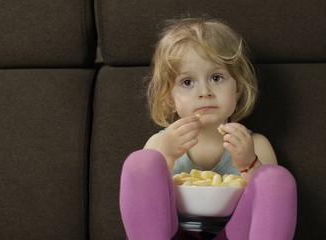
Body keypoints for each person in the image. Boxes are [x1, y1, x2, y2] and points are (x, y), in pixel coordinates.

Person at [119, 17, 297, 240]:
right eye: (187, 82)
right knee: (142, 162)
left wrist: (248, 164)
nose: (205, 91)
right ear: (170, 98)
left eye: (216, 77)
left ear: (238, 89)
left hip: (234, 234)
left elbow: (265, 206)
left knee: (275, 179)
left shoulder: (255, 144)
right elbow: (145, 199)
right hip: (172, 234)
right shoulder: (159, 143)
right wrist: (167, 155)